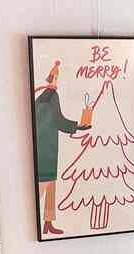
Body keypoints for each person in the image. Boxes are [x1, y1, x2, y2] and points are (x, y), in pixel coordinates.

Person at [33, 60, 92, 235]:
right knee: (44, 185)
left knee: (51, 185)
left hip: (45, 147)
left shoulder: (41, 97)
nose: (56, 81)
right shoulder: (51, 97)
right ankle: (39, 219)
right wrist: (78, 126)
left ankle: (47, 223)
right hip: (47, 148)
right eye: (56, 77)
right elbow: (58, 120)